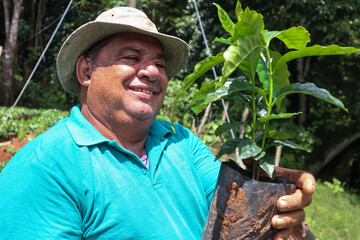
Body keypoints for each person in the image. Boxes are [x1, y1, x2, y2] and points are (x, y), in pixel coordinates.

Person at [0, 7, 315, 240]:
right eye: (132, 57)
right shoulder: (45, 168)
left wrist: (276, 205)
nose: (152, 72)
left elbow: (236, 218)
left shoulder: (180, 142)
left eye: (159, 64)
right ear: (86, 72)